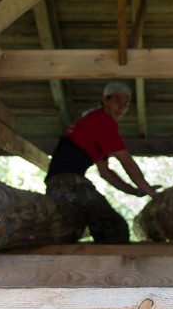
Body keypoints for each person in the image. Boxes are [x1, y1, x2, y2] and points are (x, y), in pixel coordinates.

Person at [44, 81, 159, 243]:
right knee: (114, 228)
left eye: (126, 103)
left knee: (86, 226)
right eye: (118, 101)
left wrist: (136, 191)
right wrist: (152, 193)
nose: (122, 107)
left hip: (59, 184)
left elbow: (105, 172)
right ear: (106, 99)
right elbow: (127, 162)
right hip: (67, 182)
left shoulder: (94, 121)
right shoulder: (102, 121)